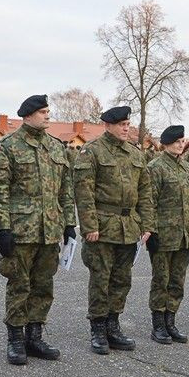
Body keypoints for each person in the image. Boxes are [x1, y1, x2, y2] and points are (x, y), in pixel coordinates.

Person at [0, 94, 75, 365]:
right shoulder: (7, 146)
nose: (48, 116)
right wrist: (2, 227)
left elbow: (65, 189)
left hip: (50, 229)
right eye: (43, 112)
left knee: (43, 285)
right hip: (21, 230)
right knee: (19, 285)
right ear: (28, 116)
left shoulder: (56, 147)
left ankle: (34, 336)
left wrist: (69, 222)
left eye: (48, 111)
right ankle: (15, 340)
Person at [73, 106, 155, 354]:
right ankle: (98, 328)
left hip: (128, 226)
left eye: (128, 125)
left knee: (122, 279)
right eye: (121, 125)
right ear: (108, 125)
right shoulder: (92, 151)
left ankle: (113, 324)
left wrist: (147, 224)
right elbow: (83, 192)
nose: (126, 128)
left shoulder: (135, 154)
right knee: (101, 278)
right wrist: (89, 225)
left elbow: (145, 192)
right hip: (103, 224)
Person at [144, 125, 189, 345]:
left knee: (177, 281)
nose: (180, 144)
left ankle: (171, 321)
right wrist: (151, 230)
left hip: (184, 235)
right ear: (166, 143)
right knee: (161, 280)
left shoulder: (187, 168)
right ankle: (158, 325)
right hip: (164, 235)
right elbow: (148, 201)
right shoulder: (155, 167)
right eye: (176, 141)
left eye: (182, 141)